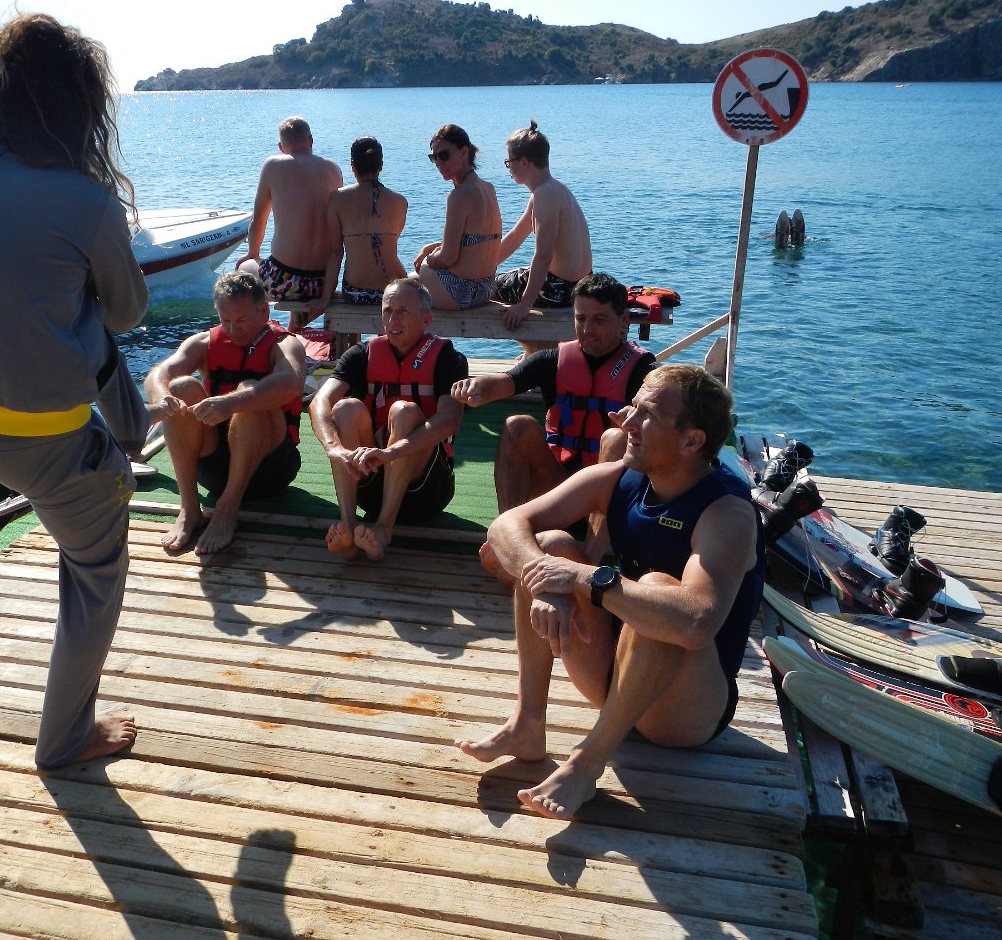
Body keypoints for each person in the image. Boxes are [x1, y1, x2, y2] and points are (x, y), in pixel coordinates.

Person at [0, 13, 181, 770]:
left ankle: (123, 445)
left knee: (68, 325)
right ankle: (64, 740)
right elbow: (126, 314)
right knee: (97, 572)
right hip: (41, 436)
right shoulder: (84, 200)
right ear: (76, 102)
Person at [457, 365, 763, 821]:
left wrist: (582, 578)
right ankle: (526, 724)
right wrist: (545, 584)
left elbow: (696, 622)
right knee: (549, 546)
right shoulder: (622, 478)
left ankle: (585, 765)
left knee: (658, 592)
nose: (625, 420)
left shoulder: (727, 513)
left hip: (686, 714)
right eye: (633, 406)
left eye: (646, 414)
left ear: (691, 441)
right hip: (616, 675)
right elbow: (507, 525)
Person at [451, 273, 654, 513]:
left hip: (610, 492)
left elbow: (667, 415)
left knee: (616, 437)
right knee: (517, 425)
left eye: (599, 320)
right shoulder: (552, 360)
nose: (587, 329)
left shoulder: (644, 370)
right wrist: (477, 387)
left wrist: (638, 419)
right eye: (581, 319)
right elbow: (506, 382)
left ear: (623, 320)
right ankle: (507, 527)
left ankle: (597, 537)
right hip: (556, 484)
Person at [144, 271, 306, 555]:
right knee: (180, 387)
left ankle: (227, 510)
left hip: (270, 469)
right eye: (226, 320)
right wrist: (163, 398)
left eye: (242, 320)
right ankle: (189, 508)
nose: (233, 329)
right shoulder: (203, 343)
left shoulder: (284, 344)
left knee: (249, 393)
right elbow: (160, 373)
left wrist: (230, 403)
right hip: (215, 469)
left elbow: (290, 382)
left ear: (263, 311)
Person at [310, 277, 468, 562]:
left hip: (425, 489)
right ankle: (348, 526)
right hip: (371, 485)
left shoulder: (450, 360)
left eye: (403, 311)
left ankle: (383, 530)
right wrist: (334, 448)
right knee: (345, 408)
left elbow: (449, 420)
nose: (393, 320)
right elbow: (320, 401)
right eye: (387, 311)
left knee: (404, 411)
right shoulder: (360, 355)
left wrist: (391, 452)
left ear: (426, 319)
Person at [494, 120, 593, 356]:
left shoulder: (544, 195)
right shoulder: (553, 189)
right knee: (504, 278)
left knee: (488, 289)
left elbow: (543, 256)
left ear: (525, 162)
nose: (508, 168)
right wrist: (482, 266)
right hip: (580, 282)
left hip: (559, 289)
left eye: (509, 162)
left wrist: (524, 306)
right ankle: (535, 351)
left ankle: (536, 352)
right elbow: (515, 237)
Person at [236, 116, 343, 303]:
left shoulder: (273, 165)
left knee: (243, 268)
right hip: (322, 283)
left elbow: (259, 220)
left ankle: (261, 321)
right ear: (311, 140)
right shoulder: (333, 169)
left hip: (283, 282)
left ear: (281, 147)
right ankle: (294, 322)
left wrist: (252, 254)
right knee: (291, 278)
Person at [315, 136, 408, 320]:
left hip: (356, 293)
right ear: (381, 166)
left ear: (353, 167)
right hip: (394, 292)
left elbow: (336, 253)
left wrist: (325, 298)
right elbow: (392, 242)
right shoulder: (400, 201)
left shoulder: (337, 199)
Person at [414, 125, 502, 312]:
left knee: (417, 273)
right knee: (409, 281)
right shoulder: (488, 188)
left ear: (464, 152)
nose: (439, 163)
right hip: (486, 289)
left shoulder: (459, 196)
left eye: (444, 155)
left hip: (461, 295)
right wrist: (436, 246)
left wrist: (428, 258)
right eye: (434, 157)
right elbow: (473, 243)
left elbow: (448, 257)